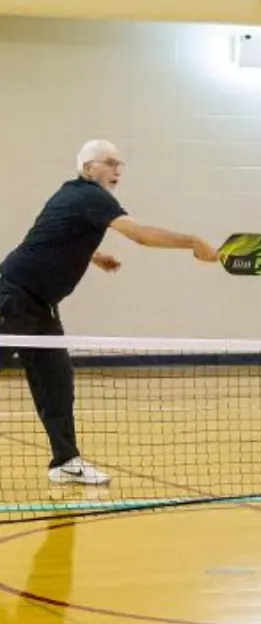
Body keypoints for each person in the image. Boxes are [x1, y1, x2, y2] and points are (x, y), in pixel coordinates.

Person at [0, 139, 220, 485]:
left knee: (56, 381)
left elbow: (52, 237)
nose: (117, 170)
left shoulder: (74, 195)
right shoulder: (91, 196)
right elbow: (140, 235)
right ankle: (66, 459)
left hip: (37, 305)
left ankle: (66, 462)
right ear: (89, 168)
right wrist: (193, 241)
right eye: (110, 162)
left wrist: (93, 255)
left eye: (120, 164)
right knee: (51, 379)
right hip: (12, 298)